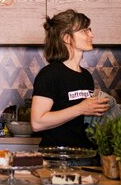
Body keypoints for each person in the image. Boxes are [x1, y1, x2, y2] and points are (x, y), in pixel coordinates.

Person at [30, 10, 110, 148]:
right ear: (66, 38)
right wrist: (81, 108)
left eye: (89, 30)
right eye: (84, 31)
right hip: (57, 159)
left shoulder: (86, 76)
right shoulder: (49, 74)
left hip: (85, 156)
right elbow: (37, 123)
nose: (91, 34)